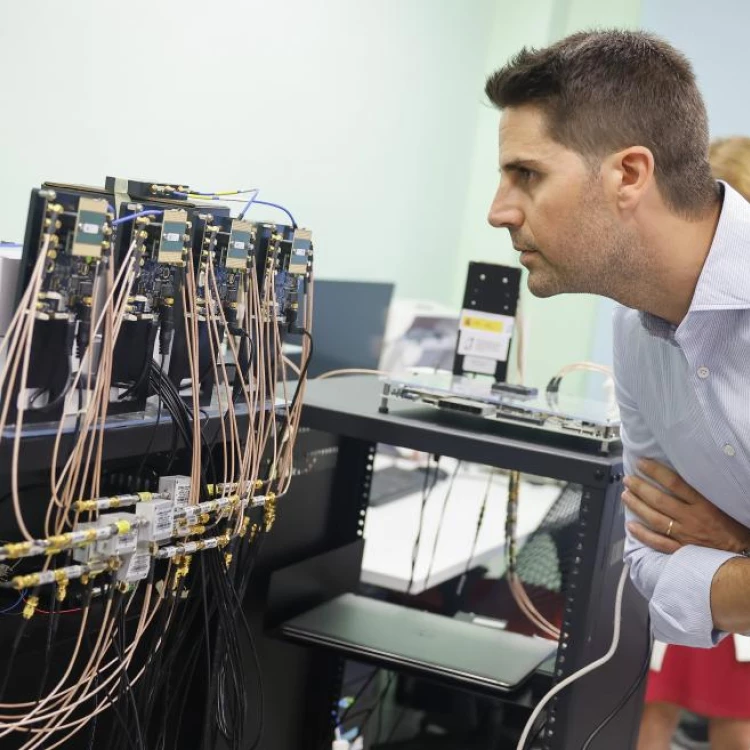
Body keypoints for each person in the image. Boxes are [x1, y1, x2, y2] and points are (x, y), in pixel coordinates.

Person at [483, 30, 750, 750]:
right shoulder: (637, 335)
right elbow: (651, 570)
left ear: (629, 173)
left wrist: (737, 550)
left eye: (526, 175)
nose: (499, 210)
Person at [637, 136, 750, 750]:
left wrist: (737, 541)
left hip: (727, 576)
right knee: (658, 706)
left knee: (734, 720)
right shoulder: (662, 334)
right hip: (692, 567)